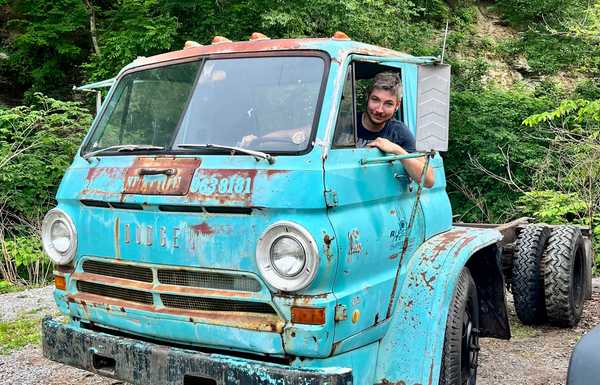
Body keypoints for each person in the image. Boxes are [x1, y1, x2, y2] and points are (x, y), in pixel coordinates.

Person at [359, 71, 435, 188]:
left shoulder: (398, 132)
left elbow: (428, 180)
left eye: (388, 104)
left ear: (397, 105)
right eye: (375, 100)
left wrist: (397, 150)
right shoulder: (345, 123)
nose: (379, 110)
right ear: (367, 97)